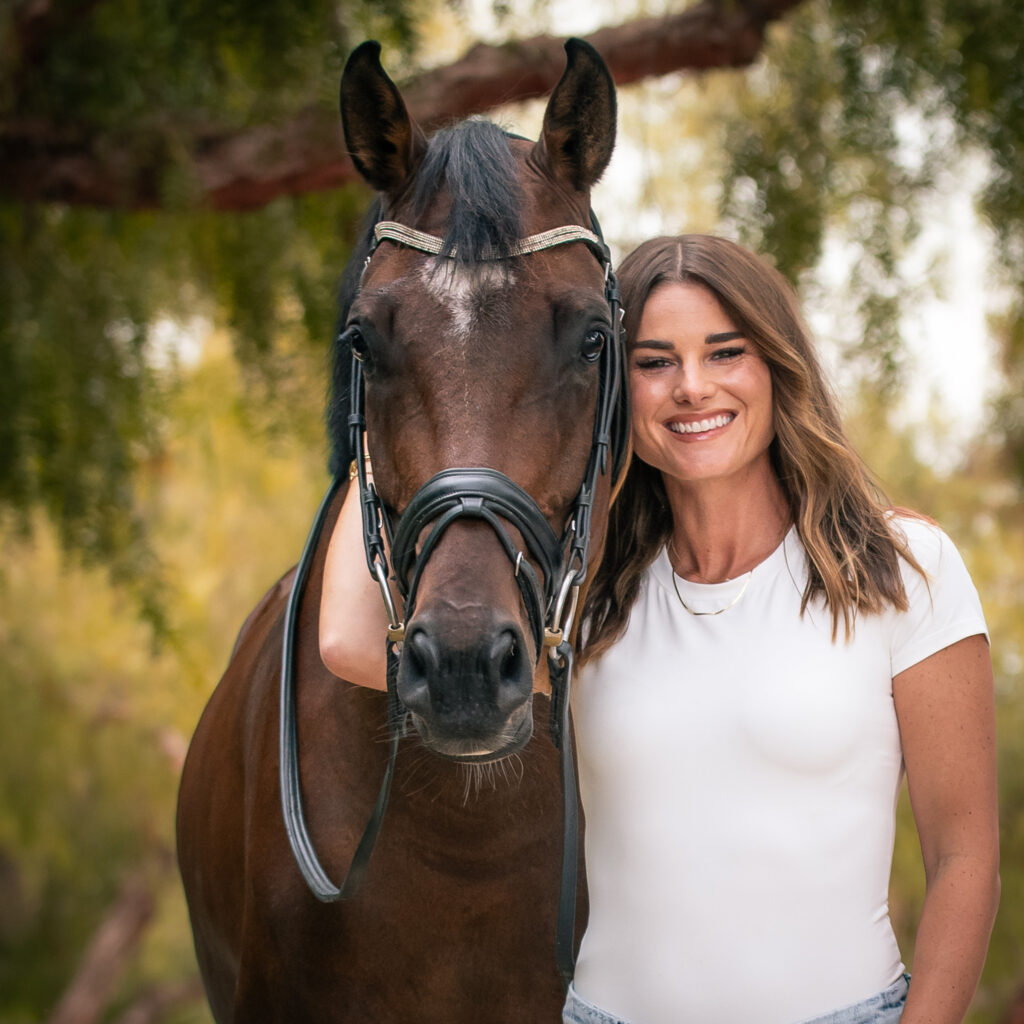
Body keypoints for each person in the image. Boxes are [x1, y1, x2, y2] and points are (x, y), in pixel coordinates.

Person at [319, 234, 1000, 1024]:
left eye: (724, 352)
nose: (692, 387)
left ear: (776, 367)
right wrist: (395, 404)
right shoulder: (595, 603)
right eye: (653, 362)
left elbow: (964, 859)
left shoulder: (901, 569)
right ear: (611, 392)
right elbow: (349, 637)